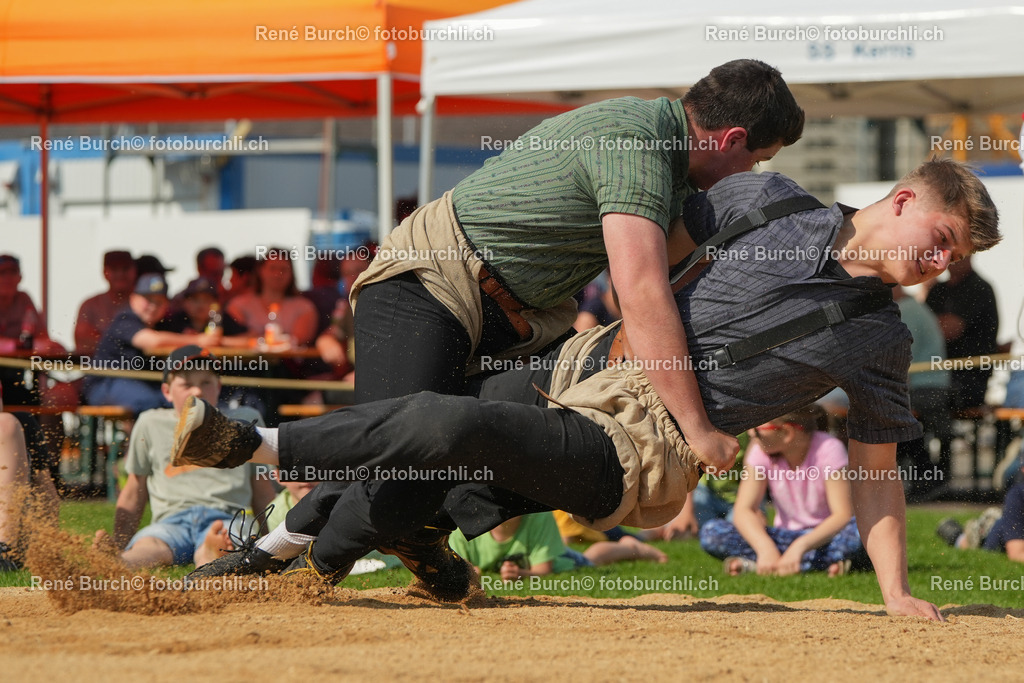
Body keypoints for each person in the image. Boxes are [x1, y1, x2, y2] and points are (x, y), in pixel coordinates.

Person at [174, 158, 1000, 621]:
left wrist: (895, 592)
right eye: (941, 241)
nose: (940, 264)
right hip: (580, 364)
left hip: (635, 447)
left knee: (444, 425)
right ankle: (271, 561)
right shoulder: (770, 197)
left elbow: (876, 471)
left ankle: (255, 443)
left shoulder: (883, 338)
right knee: (411, 469)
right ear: (902, 200)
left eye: (954, 259)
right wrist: (615, 309)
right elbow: (644, 242)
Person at [271, 60, 803, 584]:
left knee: (536, 440)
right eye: (757, 160)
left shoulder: (674, 170)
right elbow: (641, 293)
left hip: (513, 320)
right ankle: (279, 561)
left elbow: (657, 276)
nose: (750, 175)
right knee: (400, 463)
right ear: (732, 138)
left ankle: (409, 532)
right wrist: (697, 429)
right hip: (431, 282)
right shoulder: (635, 141)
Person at [94, 346, 274, 570]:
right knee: (150, 545)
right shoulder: (150, 423)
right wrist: (120, 543)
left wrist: (274, 544)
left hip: (227, 517)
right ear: (167, 391)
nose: (197, 391)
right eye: (187, 385)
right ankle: (120, 561)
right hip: (171, 521)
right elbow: (134, 491)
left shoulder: (244, 422)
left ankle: (210, 556)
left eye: (206, 382)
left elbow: (262, 487)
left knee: (229, 539)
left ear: (218, 386)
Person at [699, 406, 862, 576]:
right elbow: (743, 510)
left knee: (859, 532)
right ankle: (822, 563)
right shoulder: (760, 451)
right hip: (782, 538)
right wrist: (765, 549)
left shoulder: (829, 448)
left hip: (824, 537)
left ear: (787, 432)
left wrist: (800, 547)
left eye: (757, 429)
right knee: (712, 532)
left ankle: (764, 565)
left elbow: (842, 515)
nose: (751, 434)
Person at [83, 274, 221, 414]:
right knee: (148, 403)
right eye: (148, 299)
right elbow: (153, 342)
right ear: (133, 298)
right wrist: (198, 340)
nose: (153, 306)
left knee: (175, 401)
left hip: (141, 383)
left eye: (159, 302)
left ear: (167, 305)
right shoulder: (125, 319)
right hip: (105, 382)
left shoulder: (162, 324)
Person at [449, 512, 665, 583]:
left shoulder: (538, 518)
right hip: (530, 557)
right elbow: (458, 561)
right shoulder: (466, 524)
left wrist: (522, 574)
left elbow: (544, 569)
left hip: (558, 558)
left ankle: (633, 548)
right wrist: (468, 571)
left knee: (591, 559)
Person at [924, 255, 999, 411]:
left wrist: (928, 325)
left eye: (957, 255)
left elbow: (950, 329)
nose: (953, 260)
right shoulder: (937, 290)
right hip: (937, 376)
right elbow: (922, 327)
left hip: (968, 379)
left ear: (969, 255)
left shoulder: (979, 288)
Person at [227, 250, 317, 348]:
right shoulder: (239, 305)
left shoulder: (304, 307)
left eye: (284, 269)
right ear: (260, 271)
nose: (278, 274)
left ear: (291, 273)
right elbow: (234, 337)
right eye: (272, 268)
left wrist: (257, 340)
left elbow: (300, 339)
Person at [74, 250, 137, 356]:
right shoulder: (91, 305)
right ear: (105, 272)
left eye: (125, 269)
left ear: (134, 271)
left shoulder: (145, 305)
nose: (120, 274)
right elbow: (82, 341)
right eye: (114, 269)